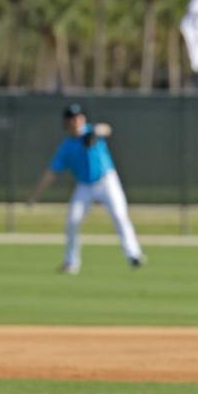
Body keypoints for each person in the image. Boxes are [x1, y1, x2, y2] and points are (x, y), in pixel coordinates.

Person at [27, 103, 145, 274]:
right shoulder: (66, 147)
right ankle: (71, 262)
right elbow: (51, 173)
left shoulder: (90, 131)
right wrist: (34, 196)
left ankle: (133, 255)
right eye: (73, 118)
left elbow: (107, 128)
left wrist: (94, 132)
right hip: (84, 186)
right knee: (72, 221)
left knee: (120, 215)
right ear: (67, 122)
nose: (77, 120)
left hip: (107, 180)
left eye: (79, 117)